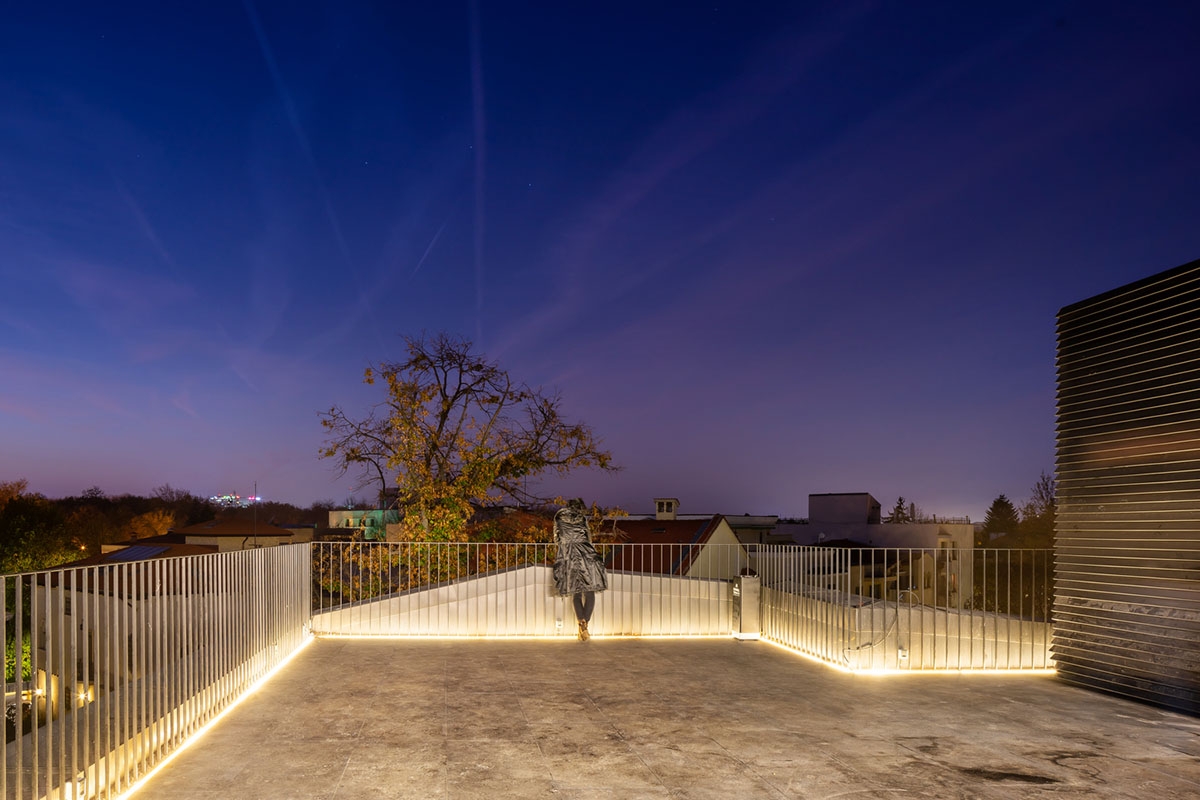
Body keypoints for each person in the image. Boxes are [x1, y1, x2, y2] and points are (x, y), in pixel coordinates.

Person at [553, 498, 608, 641]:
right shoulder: (582, 518)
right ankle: (585, 625)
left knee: (575, 593)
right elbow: (588, 538)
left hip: (568, 555)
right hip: (586, 555)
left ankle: (581, 624)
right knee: (589, 591)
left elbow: (557, 538)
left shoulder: (559, 517)